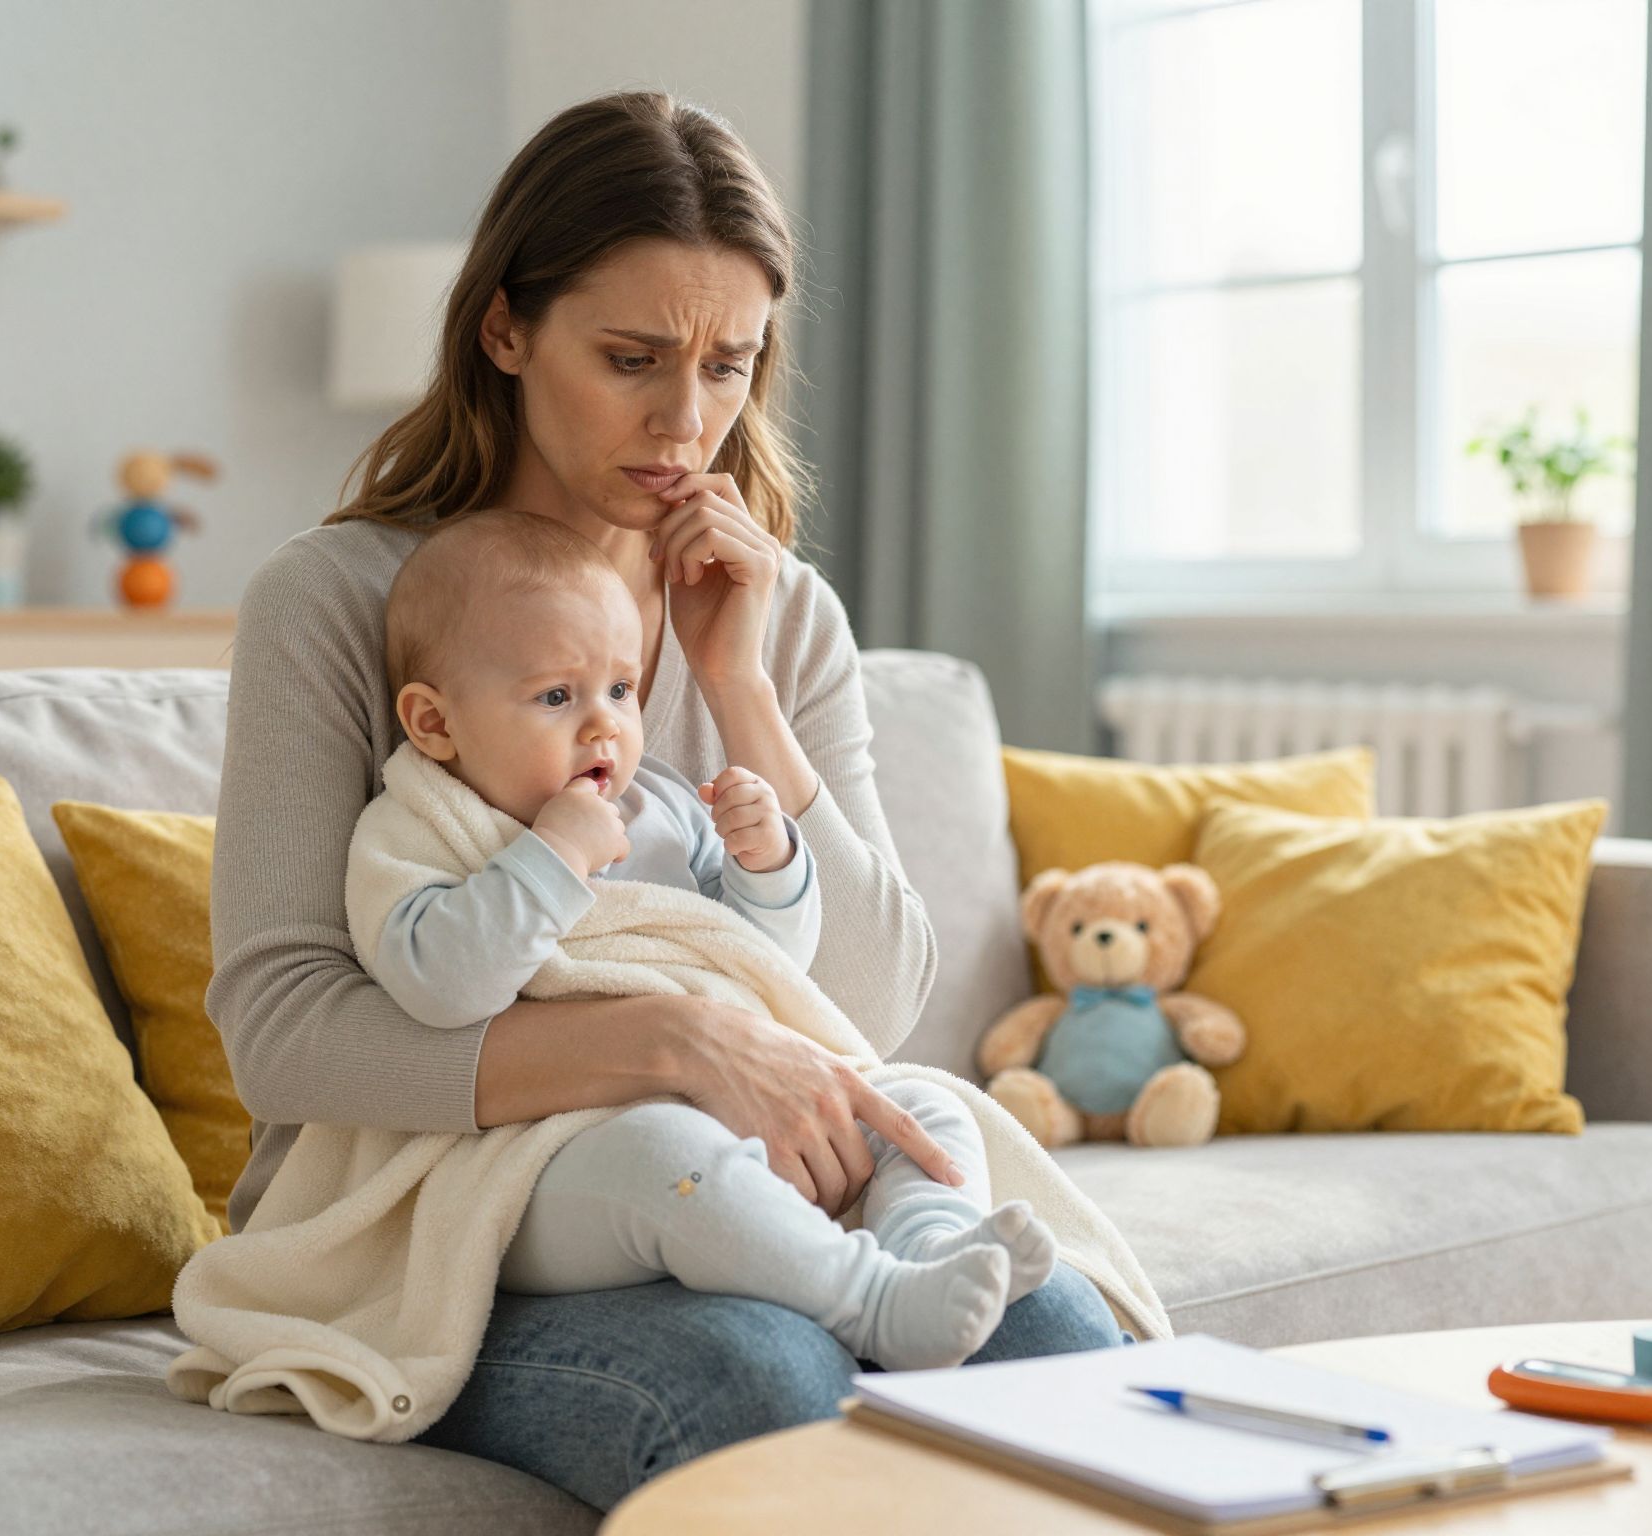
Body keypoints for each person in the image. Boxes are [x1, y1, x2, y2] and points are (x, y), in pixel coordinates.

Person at [207, 90, 1123, 1512]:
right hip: (430, 1226)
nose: (685, 423)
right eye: (630, 359)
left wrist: (737, 684)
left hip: (745, 1188)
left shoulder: (780, 614)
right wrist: (675, 1043)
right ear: (506, 331)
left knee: (1053, 1330)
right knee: (760, 1379)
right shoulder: (337, 606)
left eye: (729, 366)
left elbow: (870, 1005)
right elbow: (283, 1037)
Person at [349, 509, 1055, 1371]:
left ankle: (931, 1250)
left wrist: (770, 866)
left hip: (730, 1114)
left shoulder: (664, 806)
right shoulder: (419, 829)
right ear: (434, 724)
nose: (604, 726)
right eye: (556, 697)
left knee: (921, 1104)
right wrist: (554, 856)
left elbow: (761, 965)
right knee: (665, 1158)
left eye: (619, 689)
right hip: (540, 1165)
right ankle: (869, 1300)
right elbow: (440, 985)